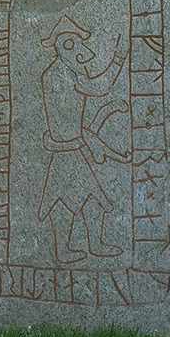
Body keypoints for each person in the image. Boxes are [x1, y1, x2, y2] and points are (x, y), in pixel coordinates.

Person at [38, 15, 131, 264]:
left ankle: (92, 244)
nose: (81, 50)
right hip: (67, 150)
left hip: (71, 145)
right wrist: (118, 59)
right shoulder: (60, 75)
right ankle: (64, 249)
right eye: (74, 43)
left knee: (88, 198)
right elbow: (101, 87)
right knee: (65, 200)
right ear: (64, 46)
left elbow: (76, 118)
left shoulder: (64, 72)